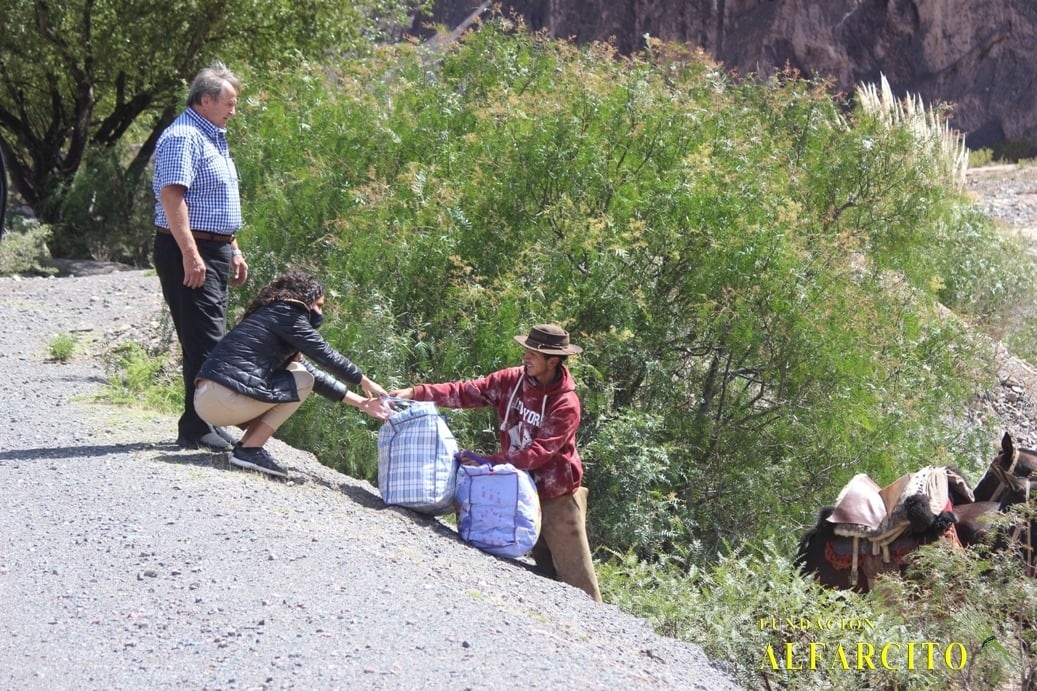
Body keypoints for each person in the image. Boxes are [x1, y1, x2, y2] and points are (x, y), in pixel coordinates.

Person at [391, 324, 602, 602]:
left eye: (534, 354)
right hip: (523, 492)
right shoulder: (511, 381)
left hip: (557, 497)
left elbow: (537, 453)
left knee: (580, 585)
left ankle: (596, 635)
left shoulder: (566, 403)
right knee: (546, 577)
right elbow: (465, 392)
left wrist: (488, 462)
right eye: (526, 350)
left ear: (553, 361)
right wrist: (415, 392)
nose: (526, 357)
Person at [194, 271, 390, 478]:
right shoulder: (288, 313)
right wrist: (363, 380)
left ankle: (247, 447)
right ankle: (250, 450)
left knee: (301, 374)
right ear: (307, 299)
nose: (321, 313)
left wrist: (362, 402)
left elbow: (314, 373)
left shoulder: (272, 315)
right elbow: (324, 354)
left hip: (208, 398)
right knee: (302, 379)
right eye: (320, 305)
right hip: (224, 399)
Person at [153, 61, 249, 452]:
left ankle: (199, 424)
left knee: (206, 340)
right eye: (229, 102)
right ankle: (196, 427)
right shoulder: (184, 137)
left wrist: (234, 248)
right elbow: (172, 196)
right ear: (205, 100)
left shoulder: (213, 136)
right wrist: (191, 254)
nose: (233, 109)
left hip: (215, 247)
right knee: (207, 343)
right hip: (191, 250)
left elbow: (217, 199)